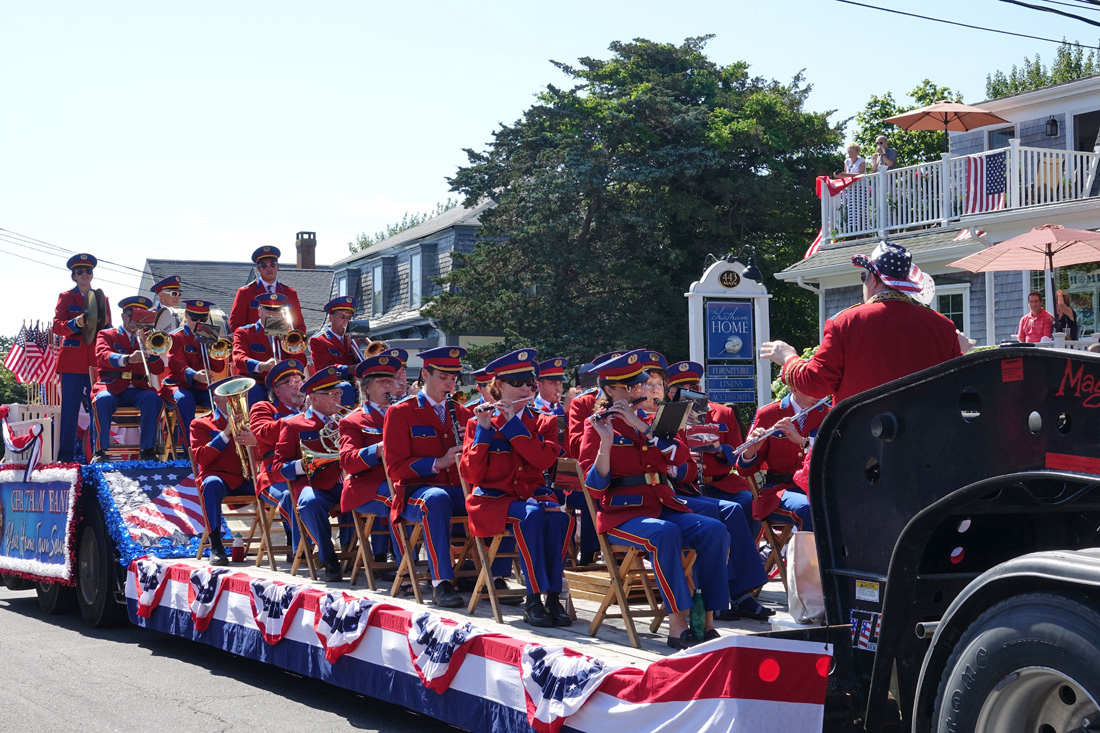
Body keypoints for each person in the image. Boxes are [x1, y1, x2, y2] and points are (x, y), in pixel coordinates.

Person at [578, 350, 730, 650]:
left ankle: (708, 618)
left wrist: (642, 426)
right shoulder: (595, 425)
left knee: (715, 530)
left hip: (661, 504)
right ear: (609, 391)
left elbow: (682, 460)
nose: (639, 390)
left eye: (640, 384)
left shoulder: (652, 422)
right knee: (665, 533)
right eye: (630, 386)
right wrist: (606, 443)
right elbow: (595, 487)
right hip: (622, 514)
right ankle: (677, 623)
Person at [762, 241, 962, 404]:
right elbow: (961, 381)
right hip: (928, 442)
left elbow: (815, 383)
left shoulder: (845, 323)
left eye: (863, 276)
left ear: (874, 280)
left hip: (863, 443)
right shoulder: (943, 326)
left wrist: (789, 359)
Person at [460, 349, 572, 627]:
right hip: (492, 501)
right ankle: (533, 598)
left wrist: (512, 426)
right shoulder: (479, 421)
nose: (525, 389)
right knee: (531, 516)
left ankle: (553, 597)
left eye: (530, 384)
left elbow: (545, 460)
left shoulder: (543, 422)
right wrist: (485, 433)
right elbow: (471, 473)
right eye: (517, 382)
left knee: (560, 517)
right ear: (499, 386)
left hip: (530, 498)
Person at [381, 346, 472, 608]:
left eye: (453, 379)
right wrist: (439, 462)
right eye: (443, 377)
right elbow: (395, 467)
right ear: (425, 374)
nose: (449, 384)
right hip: (415, 493)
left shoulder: (464, 413)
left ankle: (492, 574)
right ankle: (441, 582)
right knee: (436, 498)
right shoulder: (400, 412)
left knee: (498, 497)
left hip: (455, 489)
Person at [272, 367, 348, 582]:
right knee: (309, 502)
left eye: (338, 393)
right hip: (313, 485)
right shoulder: (293, 424)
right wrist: (304, 465)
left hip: (346, 482)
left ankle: (377, 557)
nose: (337, 398)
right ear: (313, 398)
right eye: (331, 394)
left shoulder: (346, 421)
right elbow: (278, 468)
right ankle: (329, 558)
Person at [735, 386, 831, 534]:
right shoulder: (768, 414)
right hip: (779, 490)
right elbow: (744, 471)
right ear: (794, 388)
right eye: (812, 386)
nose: (820, 393)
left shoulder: (828, 413)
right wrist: (750, 451)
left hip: (819, 488)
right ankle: (809, 557)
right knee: (810, 507)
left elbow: (834, 457)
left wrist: (803, 442)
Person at [665, 361, 754, 517]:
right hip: (686, 487)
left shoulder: (723, 413)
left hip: (723, 484)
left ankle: (748, 542)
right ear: (670, 394)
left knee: (747, 500)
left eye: (693, 388)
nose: (688, 393)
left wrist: (719, 450)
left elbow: (738, 452)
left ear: (699, 389)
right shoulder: (666, 417)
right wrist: (684, 459)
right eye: (681, 389)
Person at [338, 355, 401, 569]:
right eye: (381, 382)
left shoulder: (406, 414)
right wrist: (377, 449)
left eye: (390, 381)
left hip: (399, 481)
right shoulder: (353, 420)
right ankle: (400, 562)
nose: (388, 386)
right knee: (399, 499)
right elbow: (347, 461)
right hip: (365, 486)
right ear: (366, 388)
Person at [90, 296, 167, 462]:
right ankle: (100, 452)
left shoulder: (146, 338)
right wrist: (127, 359)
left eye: (141, 317)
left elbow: (159, 369)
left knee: (153, 399)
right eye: (133, 316)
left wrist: (149, 349)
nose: (136, 321)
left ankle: (147, 450)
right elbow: (103, 356)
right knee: (103, 400)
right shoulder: (107, 334)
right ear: (124, 316)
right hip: (112, 386)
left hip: (138, 388)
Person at [191, 377, 258, 565]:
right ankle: (216, 546)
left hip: (245, 479)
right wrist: (226, 433)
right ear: (216, 399)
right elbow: (202, 458)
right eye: (227, 396)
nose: (234, 400)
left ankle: (294, 544)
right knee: (211, 485)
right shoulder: (201, 424)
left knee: (275, 484)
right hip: (219, 478)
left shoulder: (251, 421)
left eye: (238, 395)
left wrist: (255, 440)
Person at [53, 253, 112, 463]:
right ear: (74, 276)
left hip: (95, 361)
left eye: (88, 271)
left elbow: (108, 331)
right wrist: (75, 323)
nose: (85, 274)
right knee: (69, 411)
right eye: (80, 272)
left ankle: (98, 454)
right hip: (72, 362)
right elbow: (57, 326)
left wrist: (105, 325)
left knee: (97, 408)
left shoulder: (102, 298)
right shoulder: (66, 297)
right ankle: (66, 457)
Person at [249, 359, 306, 559]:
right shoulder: (264, 408)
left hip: (307, 471)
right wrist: (298, 419)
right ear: (277, 390)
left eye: (299, 381)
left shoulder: (311, 411)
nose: (298, 386)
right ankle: (301, 550)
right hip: (274, 475)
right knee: (291, 497)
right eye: (290, 383)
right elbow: (263, 432)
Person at [166, 299, 224, 443]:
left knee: (223, 401)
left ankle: (222, 442)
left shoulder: (208, 334)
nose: (199, 323)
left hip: (202, 387)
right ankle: (189, 448)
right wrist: (195, 375)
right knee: (186, 400)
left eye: (203, 319)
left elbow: (218, 367)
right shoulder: (175, 336)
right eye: (194, 319)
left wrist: (214, 347)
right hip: (179, 384)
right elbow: (177, 364)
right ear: (186, 315)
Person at [229, 246, 305, 333]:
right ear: (258, 269)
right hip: (255, 345)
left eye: (272, 264)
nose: (269, 268)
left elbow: (299, 326)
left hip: (283, 344)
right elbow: (236, 326)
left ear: (277, 266)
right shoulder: (245, 293)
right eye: (264, 265)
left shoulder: (290, 293)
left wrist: (293, 342)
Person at [231, 292, 289, 405]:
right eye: (268, 312)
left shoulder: (288, 335)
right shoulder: (244, 332)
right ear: (259, 312)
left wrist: (285, 342)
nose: (272, 316)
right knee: (254, 392)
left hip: (282, 383)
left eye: (276, 312)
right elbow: (238, 358)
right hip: (256, 382)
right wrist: (262, 366)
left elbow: (301, 360)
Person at [309, 296, 362, 407]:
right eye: (342, 316)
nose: (346, 321)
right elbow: (326, 368)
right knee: (345, 388)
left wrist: (353, 347)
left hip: (352, 383)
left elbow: (358, 361)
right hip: (330, 385)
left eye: (349, 317)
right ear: (331, 317)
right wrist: (354, 368)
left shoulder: (354, 339)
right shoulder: (318, 340)